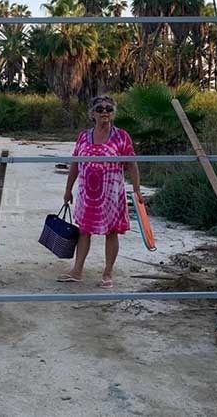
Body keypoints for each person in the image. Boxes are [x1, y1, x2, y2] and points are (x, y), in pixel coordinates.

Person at [58, 95, 141, 289]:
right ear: (92, 113)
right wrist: (68, 189)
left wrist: (136, 190)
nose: (105, 112)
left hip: (112, 195)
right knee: (84, 231)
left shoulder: (121, 136)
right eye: (100, 109)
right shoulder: (84, 136)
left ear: (113, 114)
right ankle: (77, 270)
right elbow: (75, 165)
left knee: (111, 232)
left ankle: (108, 272)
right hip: (87, 194)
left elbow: (132, 164)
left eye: (109, 109)